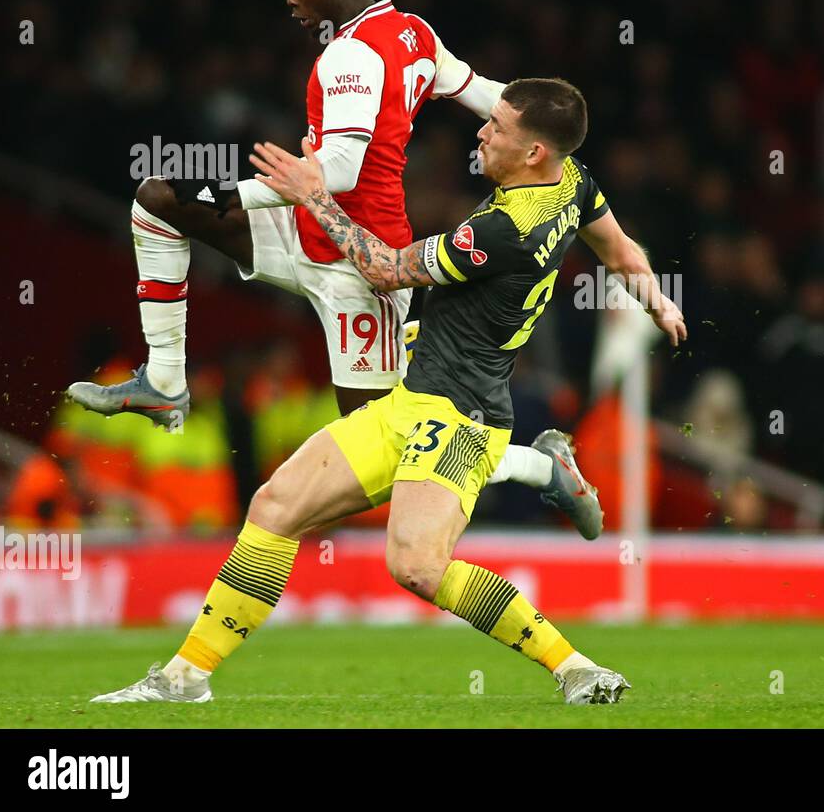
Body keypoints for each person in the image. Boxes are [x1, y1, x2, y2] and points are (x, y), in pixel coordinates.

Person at [91, 78, 685, 706]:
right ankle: (185, 679)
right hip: (413, 397)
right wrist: (660, 304)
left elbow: (382, 268)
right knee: (273, 506)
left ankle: (577, 669)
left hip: (462, 417)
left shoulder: (501, 234)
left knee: (416, 566)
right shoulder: (573, 182)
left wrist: (315, 197)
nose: (482, 131)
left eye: (498, 127)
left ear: (535, 151)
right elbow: (621, 254)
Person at [64, 0, 580, 525]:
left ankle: (542, 467)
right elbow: (491, 94)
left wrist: (233, 193)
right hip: (301, 228)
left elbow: (335, 170)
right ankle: (166, 378)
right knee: (158, 201)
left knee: (388, 448)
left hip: (360, 264)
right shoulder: (412, 35)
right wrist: (560, 136)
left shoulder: (350, 56)